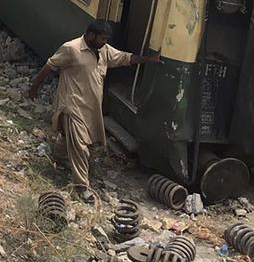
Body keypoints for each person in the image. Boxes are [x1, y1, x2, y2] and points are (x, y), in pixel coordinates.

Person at [27, 21, 160, 203]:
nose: (105, 42)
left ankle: (57, 158)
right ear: (90, 35)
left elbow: (124, 58)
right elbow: (50, 66)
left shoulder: (103, 50)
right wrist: (34, 87)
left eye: (106, 39)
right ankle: (81, 187)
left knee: (69, 137)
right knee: (81, 146)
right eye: (102, 38)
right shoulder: (71, 49)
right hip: (71, 105)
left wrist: (148, 60)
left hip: (89, 109)